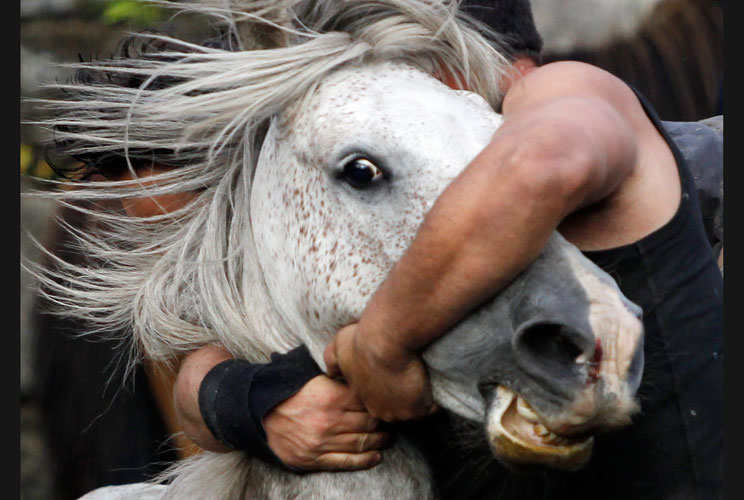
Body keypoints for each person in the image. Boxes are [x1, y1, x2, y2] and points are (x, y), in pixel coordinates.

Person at [159, 1, 722, 498]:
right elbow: (199, 370)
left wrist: (383, 347)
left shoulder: (560, 94)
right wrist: (260, 404)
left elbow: (538, 167)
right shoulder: (404, 197)